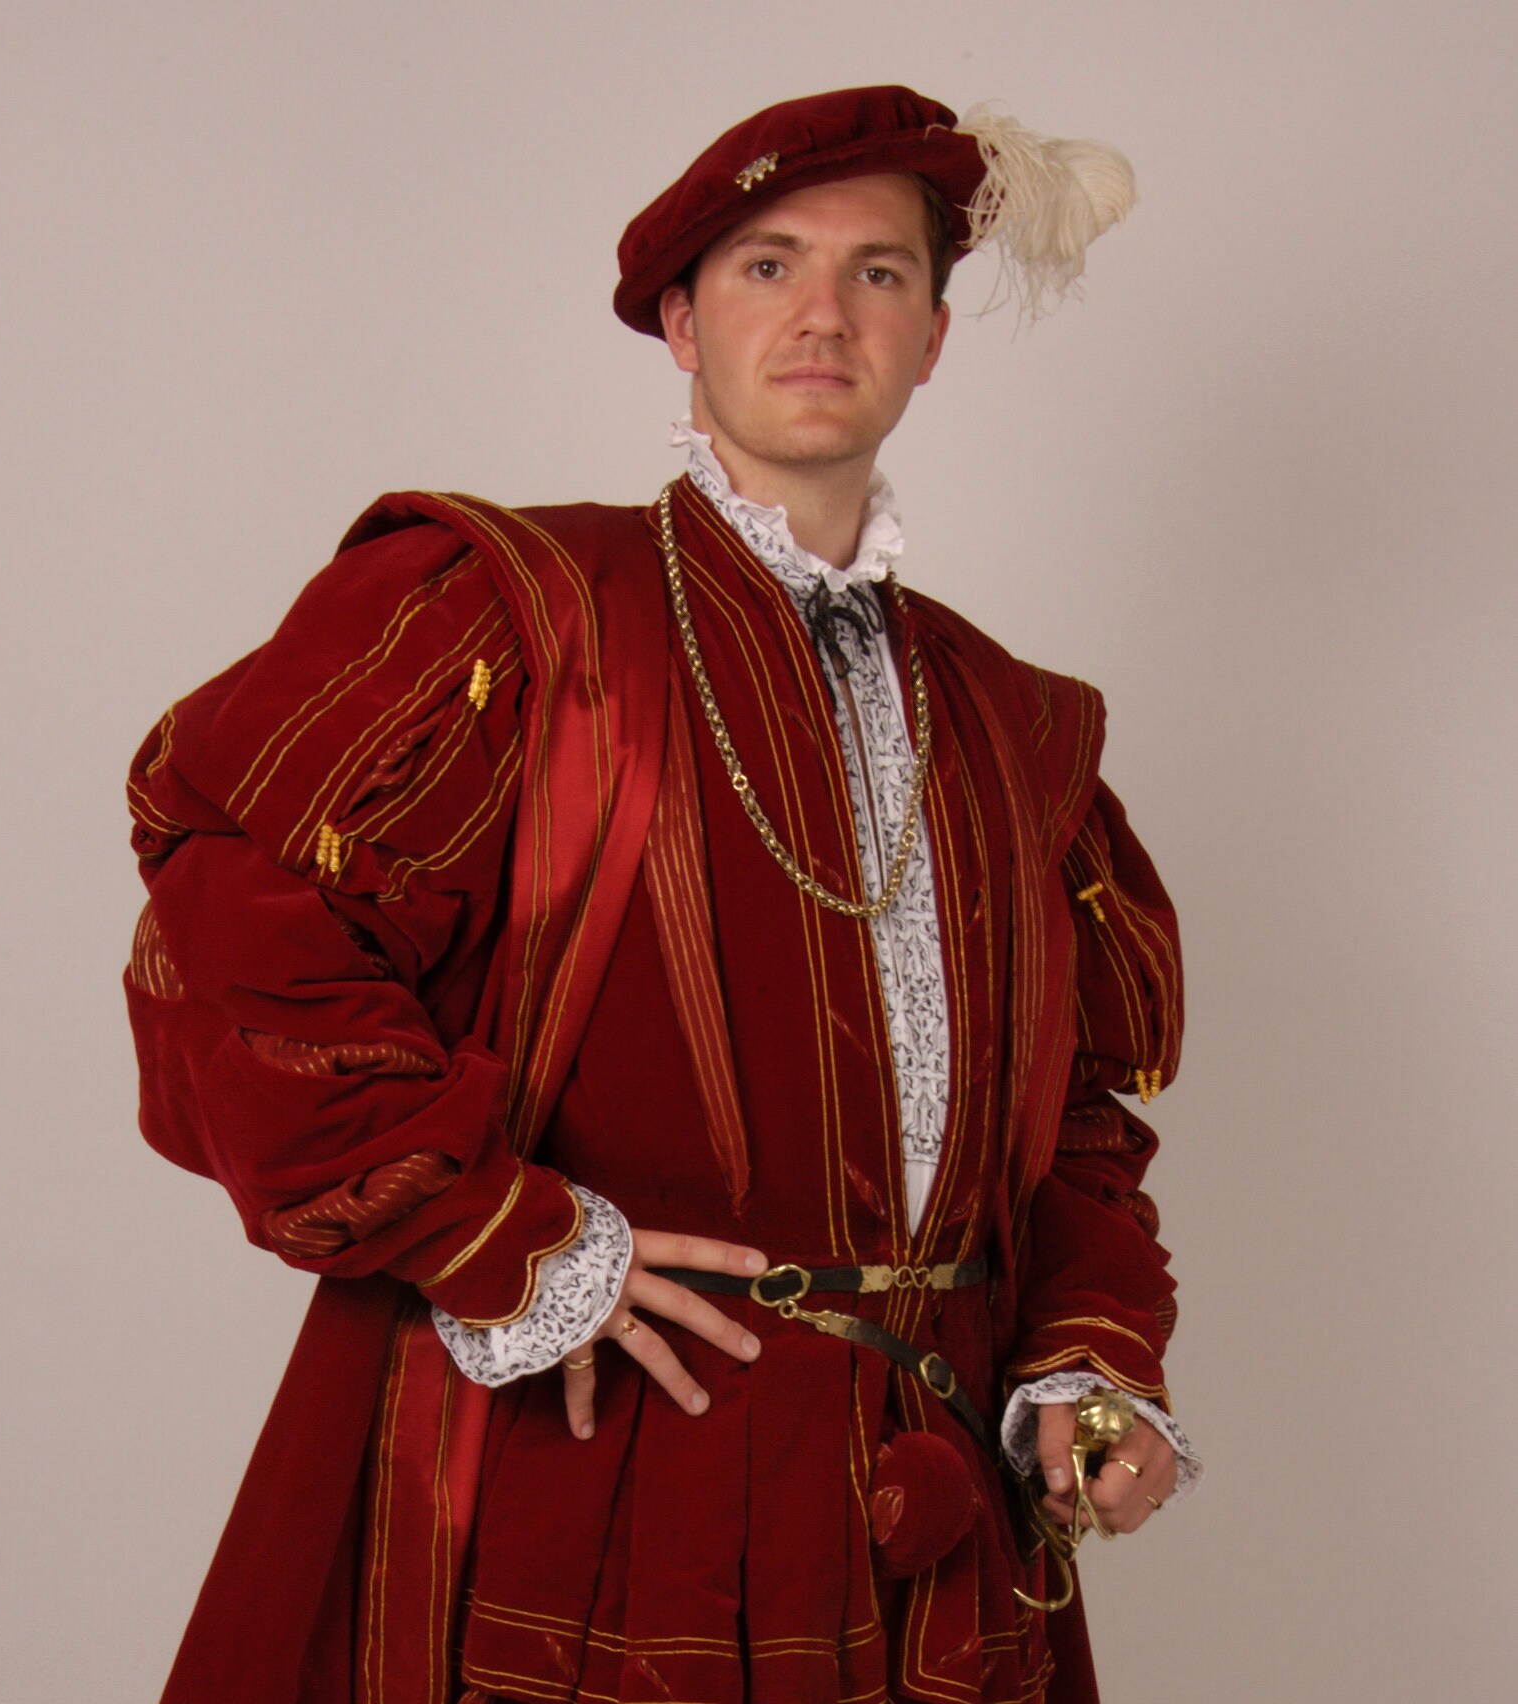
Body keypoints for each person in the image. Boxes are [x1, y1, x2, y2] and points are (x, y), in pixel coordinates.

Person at [124, 85, 1199, 1704]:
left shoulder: (1012, 721)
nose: (823, 314)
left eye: (878, 273)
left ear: (931, 337)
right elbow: (238, 919)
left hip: (927, 1505)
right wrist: (500, 1235)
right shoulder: (518, 615)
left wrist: (1087, 1357)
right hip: (594, 1464)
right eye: (768, 266)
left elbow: (1075, 1122)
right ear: (682, 326)